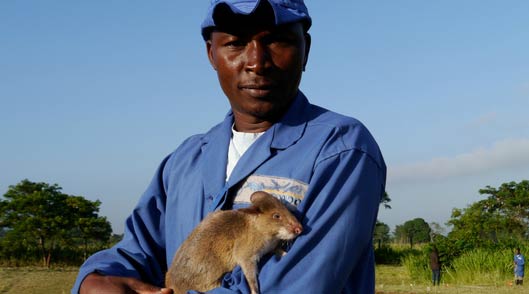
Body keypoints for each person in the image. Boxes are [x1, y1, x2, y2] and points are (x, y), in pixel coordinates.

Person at [72, 0, 386, 293]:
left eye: (277, 40)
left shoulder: (341, 149)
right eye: (235, 43)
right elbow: (138, 252)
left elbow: (296, 284)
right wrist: (96, 280)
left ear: (305, 49)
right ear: (212, 54)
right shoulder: (185, 160)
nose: (256, 62)